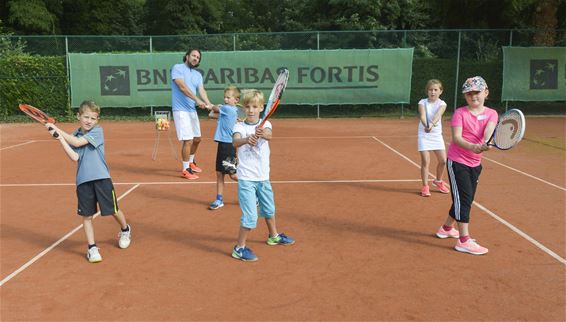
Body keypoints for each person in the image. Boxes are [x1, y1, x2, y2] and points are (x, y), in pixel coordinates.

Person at [45, 100, 131, 263]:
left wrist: (56, 128)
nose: (89, 121)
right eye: (86, 117)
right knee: (86, 216)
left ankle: (125, 229)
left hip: (102, 178)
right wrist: (60, 139)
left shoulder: (98, 132)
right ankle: (92, 248)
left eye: (93, 118)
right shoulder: (74, 135)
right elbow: (74, 156)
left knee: (112, 209)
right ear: (78, 116)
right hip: (83, 182)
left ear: (97, 120)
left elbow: (77, 143)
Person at [435, 76, 497, 255]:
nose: (473, 96)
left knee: (465, 199)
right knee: (464, 198)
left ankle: (446, 228)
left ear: (485, 92)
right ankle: (464, 240)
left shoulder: (491, 113)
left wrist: (487, 141)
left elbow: (489, 129)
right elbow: (457, 138)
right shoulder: (460, 113)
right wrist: (474, 147)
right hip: (458, 163)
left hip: (475, 164)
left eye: (476, 92)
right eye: (469, 94)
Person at [230, 89, 295, 261]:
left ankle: (273, 236)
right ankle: (239, 248)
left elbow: (269, 135)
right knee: (250, 216)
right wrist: (246, 139)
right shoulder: (239, 126)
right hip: (246, 179)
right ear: (244, 108)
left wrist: (261, 134)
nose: (251, 110)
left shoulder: (266, 124)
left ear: (261, 108)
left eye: (255, 106)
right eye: (248, 106)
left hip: (263, 177)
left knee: (269, 209)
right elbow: (235, 141)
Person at [171, 48, 212, 180]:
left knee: (197, 139)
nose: (195, 58)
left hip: (191, 111)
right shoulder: (177, 68)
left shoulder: (197, 75)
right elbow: (182, 87)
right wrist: (197, 100)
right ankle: (185, 169)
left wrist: (209, 103)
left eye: (198, 57)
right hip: (181, 111)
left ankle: (191, 162)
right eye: (193, 56)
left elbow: (202, 90)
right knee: (187, 140)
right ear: (187, 56)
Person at [207, 85, 241, 210]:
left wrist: (210, 105)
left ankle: (254, 192)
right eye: (225, 97)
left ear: (236, 100)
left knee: (232, 174)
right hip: (222, 145)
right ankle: (219, 199)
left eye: (228, 98)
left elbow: (213, 109)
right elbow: (211, 114)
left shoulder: (229, 110)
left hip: (228, 146)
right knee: (219, 173)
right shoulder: (226, 111)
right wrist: (212, 108)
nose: (225, 100)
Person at [417, 79, 450, 197]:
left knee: (443, 161)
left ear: (440, 91)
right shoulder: (422, 102)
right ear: (427, 91)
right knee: (426, 161)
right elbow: (422, 115)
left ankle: (438, 181)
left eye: (436, 90)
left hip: (436, 135)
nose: (433, 92)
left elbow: (438, 115)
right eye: (430, 90)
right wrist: (426, 125)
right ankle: (425, 186)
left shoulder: (442, 104)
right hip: (424, 134)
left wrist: (431, 125)